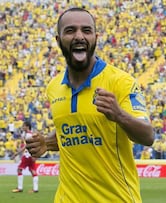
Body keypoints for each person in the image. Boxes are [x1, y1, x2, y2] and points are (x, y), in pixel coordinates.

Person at [25, 7, 154, 203]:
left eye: (86, 30)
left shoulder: (121, 82)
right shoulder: (54, 87)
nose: (79, 36)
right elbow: (78, 129)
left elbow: (148, 136)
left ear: (96, 37)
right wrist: (47, 143)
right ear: (58, 40)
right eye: (70, 30)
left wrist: (118, 114)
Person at [11, 121, 39, 193]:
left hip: (27, 155)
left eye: (24, 126)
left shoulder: (29, 135)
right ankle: (35, 189)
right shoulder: (27, 134)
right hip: (31, 155)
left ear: (27, 127)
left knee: (19, 169)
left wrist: (17, 153)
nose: (23, 127)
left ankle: (20, 188)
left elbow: (27, 146)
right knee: (32, 170)